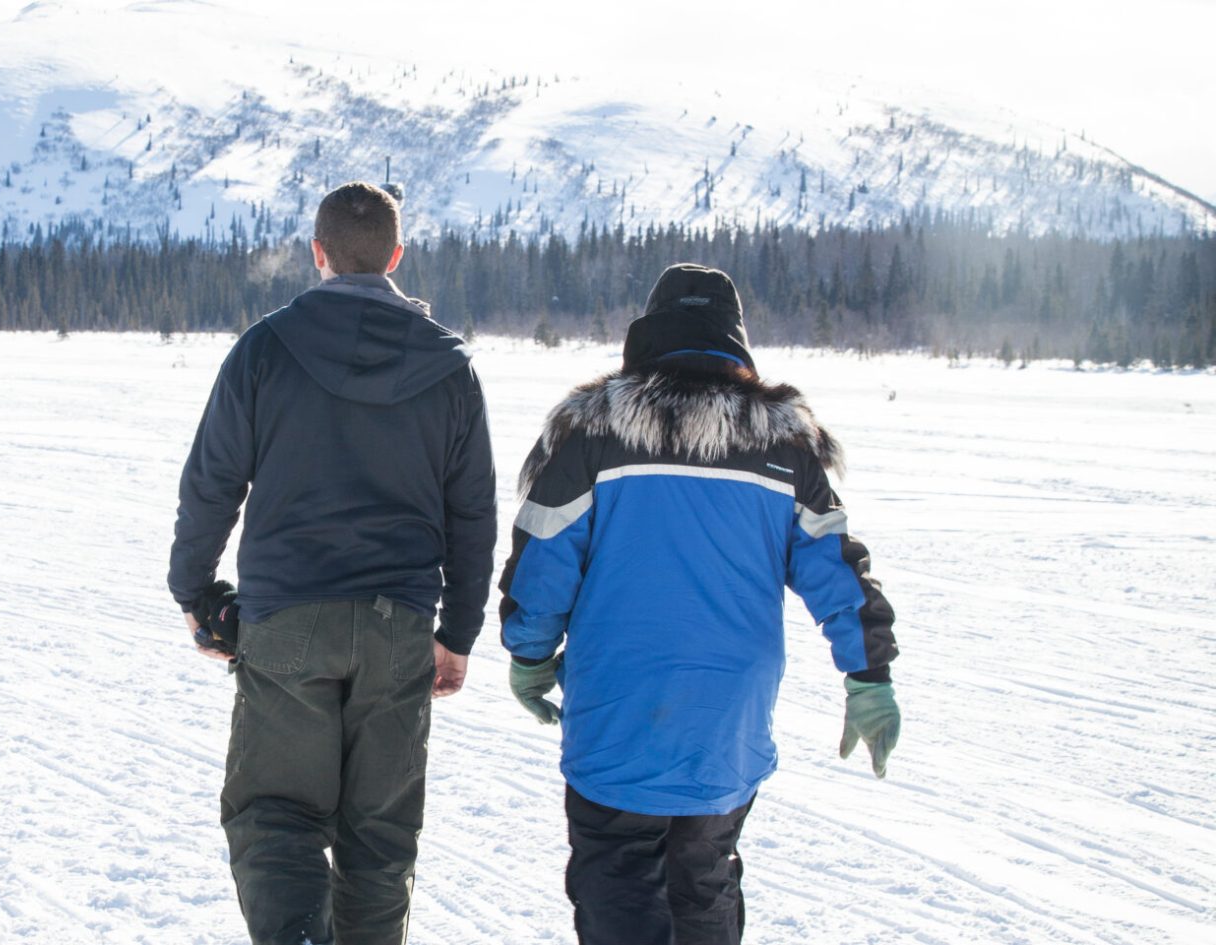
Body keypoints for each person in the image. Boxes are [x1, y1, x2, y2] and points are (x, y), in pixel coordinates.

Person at [499, 263, 901, 945]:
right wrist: (869, 674)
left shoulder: (592, 431)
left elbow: (543, 561)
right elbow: (835, 566)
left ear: (648, 330)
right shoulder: (785, 442)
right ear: (734, 339)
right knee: (703, 873)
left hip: (619, 705)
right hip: (728, 718)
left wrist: (531, 655)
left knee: (619, 876)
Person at [169, 181, 498, 945]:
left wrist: (194, 589)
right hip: (399, 630)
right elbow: (473, 514)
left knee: (276, 818)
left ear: (318, 253)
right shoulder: (451, 368)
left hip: (287, 621)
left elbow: (212, 482)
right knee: (379, 843)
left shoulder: (264, 348)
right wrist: (460, 633)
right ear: (396, 254)